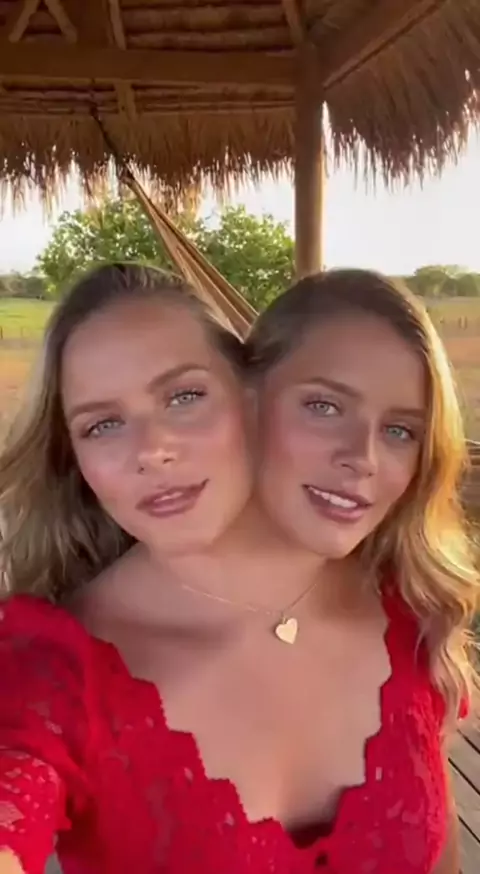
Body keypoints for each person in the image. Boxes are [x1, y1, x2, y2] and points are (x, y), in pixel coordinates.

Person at [0, 264, 477, 874]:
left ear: (247, 395)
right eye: (103, 425)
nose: (153, 450)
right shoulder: (50, 669)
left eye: (184, 397)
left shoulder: (406, 612)